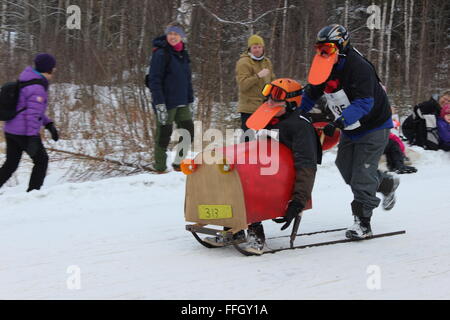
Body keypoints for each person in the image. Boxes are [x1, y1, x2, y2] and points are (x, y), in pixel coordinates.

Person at [299, 24, 399, 239]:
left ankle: (363, 223)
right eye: (319, 48)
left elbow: (364, 102)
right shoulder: (324, 64)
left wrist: (339, 122)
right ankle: (386, 183)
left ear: (341, 46)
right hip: (351, 127)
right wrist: (298, 113)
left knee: (362, 175)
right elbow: (312, 91)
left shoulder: (358, 67)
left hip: (374, 125)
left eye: (328, 48)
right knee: (345, 167)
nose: (323, 53)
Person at [204, 79, 321, 255]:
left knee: (247, 183)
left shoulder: (300, 126)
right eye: (269, 99)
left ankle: (256, 235)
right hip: (263, 168)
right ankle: (233, 230)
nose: (270, 103)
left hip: (283, 178)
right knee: (228, 175)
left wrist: (298, 202)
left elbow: (307, 166)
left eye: (276, 101)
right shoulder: (266, 120)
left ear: (291, 103)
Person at [0, 53, 59, 192]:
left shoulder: (27, 80)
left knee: (11, 164)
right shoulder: (38, 88)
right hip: (24, 132)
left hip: (11, 129)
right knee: (41, 161)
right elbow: (32, 115)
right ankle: (32, 194)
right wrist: (33, 137)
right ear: (48, 69)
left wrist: (48, 124)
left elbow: (28, 109)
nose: (54, 71)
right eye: (53, 68)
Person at [147, 22, 194, 173]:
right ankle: (160, 168)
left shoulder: (183, 54)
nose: (173, 37)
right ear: (167, 35)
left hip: (182, 101)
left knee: (188, 132)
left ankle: (179, 164)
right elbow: (154, 80)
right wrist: (159, 104)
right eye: (170, 33)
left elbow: (187, 79)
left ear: (182, 36)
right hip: (166, 102)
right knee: (164, 134)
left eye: (176, 34)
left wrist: (190, 99)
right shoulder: (161, 53)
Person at [235, 34, 275, 136]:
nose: (257, 50)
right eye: (254, 47)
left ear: (263, 48)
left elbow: (273, 81)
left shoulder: (267, 62)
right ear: (250, 49)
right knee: (249, 140)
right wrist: (258, 76)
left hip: (265, 107)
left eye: (259, 47)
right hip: (249, 108)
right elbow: (243, 85)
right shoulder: (243, 62)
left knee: (264, 140)